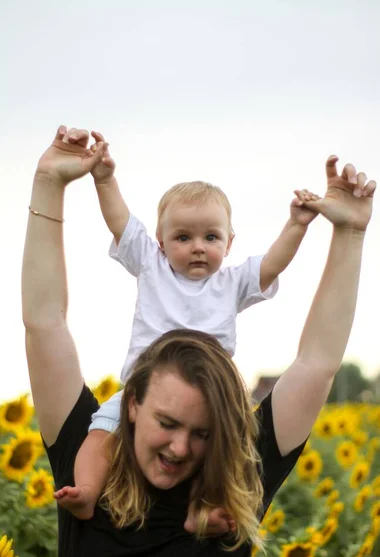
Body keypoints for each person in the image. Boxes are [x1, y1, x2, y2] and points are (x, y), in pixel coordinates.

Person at [22, 126, 376, 557]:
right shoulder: (87, 448)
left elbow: (317, 362)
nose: (181, 448)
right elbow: (45, 323)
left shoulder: (243, 465)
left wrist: (349, 232)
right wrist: (49, 182)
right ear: (132, 405)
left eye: (204, 431)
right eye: (166, 422)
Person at [58, 129, 320, 522]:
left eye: (210, 237)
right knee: (101, 434)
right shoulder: (151, 265)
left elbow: (272, 264)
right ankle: (87, 493)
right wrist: (105, 179)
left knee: (226, 453)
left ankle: (204, 511)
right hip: (142, 391)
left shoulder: (230, 283)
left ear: (229, 243)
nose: (198, 246)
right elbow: (120, 223)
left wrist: (297, 225)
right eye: (183, 237)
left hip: (211, 396)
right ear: (161, 242)